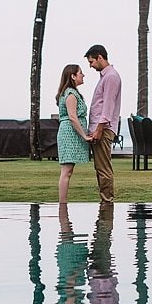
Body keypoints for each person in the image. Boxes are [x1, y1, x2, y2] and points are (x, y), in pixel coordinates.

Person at [85, 44, 122, 203]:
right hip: (99, 129)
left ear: (100, 57)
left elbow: (107, 106)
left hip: (103, 129)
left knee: (104, 168)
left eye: (92, 61)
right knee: (100, 168)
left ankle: (107, 202)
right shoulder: (105, 77)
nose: (91, 66)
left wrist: (99, 129)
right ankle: (105, 200)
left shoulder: (111, 77)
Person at [56, 64, 92, 203]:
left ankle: (63, 203)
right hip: (69, 135)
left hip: (72, 134)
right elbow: (72, 117)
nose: (83, 75)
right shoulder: (70, 94)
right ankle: (62, 204)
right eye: (80, 73)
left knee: (68, 171)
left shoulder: (72, 93)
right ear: (73, 76)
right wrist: (84, 135)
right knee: (67, 171)